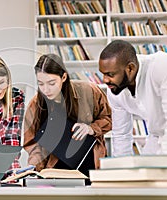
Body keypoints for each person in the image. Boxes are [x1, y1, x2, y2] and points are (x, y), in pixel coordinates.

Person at [23, 54, 112, 184]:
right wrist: (39, 172)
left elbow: (109, 119)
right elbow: (30, 142)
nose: (46, 90)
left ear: (63, 77)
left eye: (51, 83)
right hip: (54, 169)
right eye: (40, 84)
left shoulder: (89, 91)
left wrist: (91, 128)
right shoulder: (35, 104)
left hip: (90, 164)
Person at [98, 40, 167, 156]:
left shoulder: (161, 67)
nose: (105, 80)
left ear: (130, 68)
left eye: (110, 74)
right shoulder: (114, 88)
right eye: (103, 74)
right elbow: (121, 134)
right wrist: (121, 169)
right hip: (156, 136)